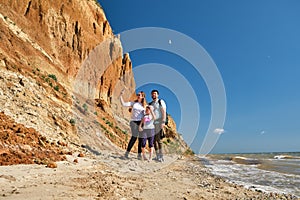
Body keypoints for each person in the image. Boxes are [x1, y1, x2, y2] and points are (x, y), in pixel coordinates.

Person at [120, 90, 146, 159]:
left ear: (143, 97)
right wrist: (121, 95)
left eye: (139, 95)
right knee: (134, 137)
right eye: (137, 94)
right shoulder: (134, 103)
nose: (138, 96)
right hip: (133, 122)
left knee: (141, 139)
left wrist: (142, 125)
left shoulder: (144, 106)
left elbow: (145, 116)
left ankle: (139, 155)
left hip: (141, 123)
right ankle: (126, 154)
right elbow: (123, 104)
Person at [149, 89, 167, 162]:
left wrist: (163, 122)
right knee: (153, 141)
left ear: (157, 95)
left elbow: (164, 112)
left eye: (155, 94)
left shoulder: (160, 102)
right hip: (152, 123)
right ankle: (157, 156)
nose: (154, 95)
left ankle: (161, 156)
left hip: (159, 122)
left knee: (159, 140)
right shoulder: (150, 104)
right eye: (152, 94)